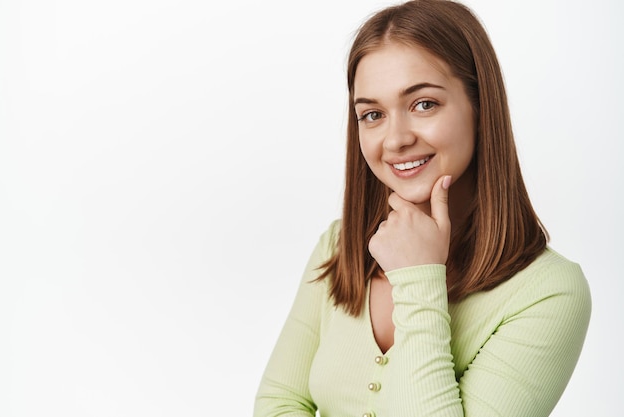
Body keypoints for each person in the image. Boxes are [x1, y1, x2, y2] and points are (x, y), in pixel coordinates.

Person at [253, 0, 591, 416]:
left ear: (480, 107)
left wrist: (418, 278)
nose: (394, 140)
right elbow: (278, 404)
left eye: (423, 104)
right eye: (372, 114)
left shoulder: (549, 293)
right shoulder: (338, 246)